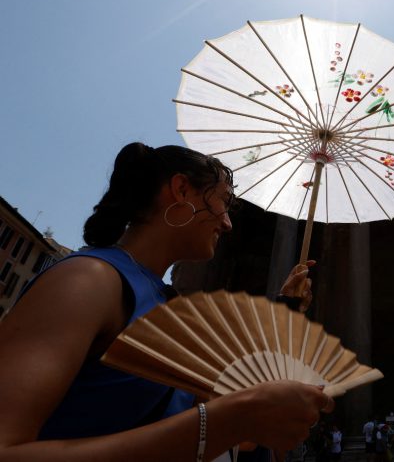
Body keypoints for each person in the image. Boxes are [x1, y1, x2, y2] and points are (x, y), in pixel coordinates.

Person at [0, 143, 333, 461]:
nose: (228, 223)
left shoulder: (165, 304)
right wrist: (231, 418)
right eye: (224, 203)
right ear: (182, 190)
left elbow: (218, 435)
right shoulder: (86, 281)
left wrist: (286, 308)